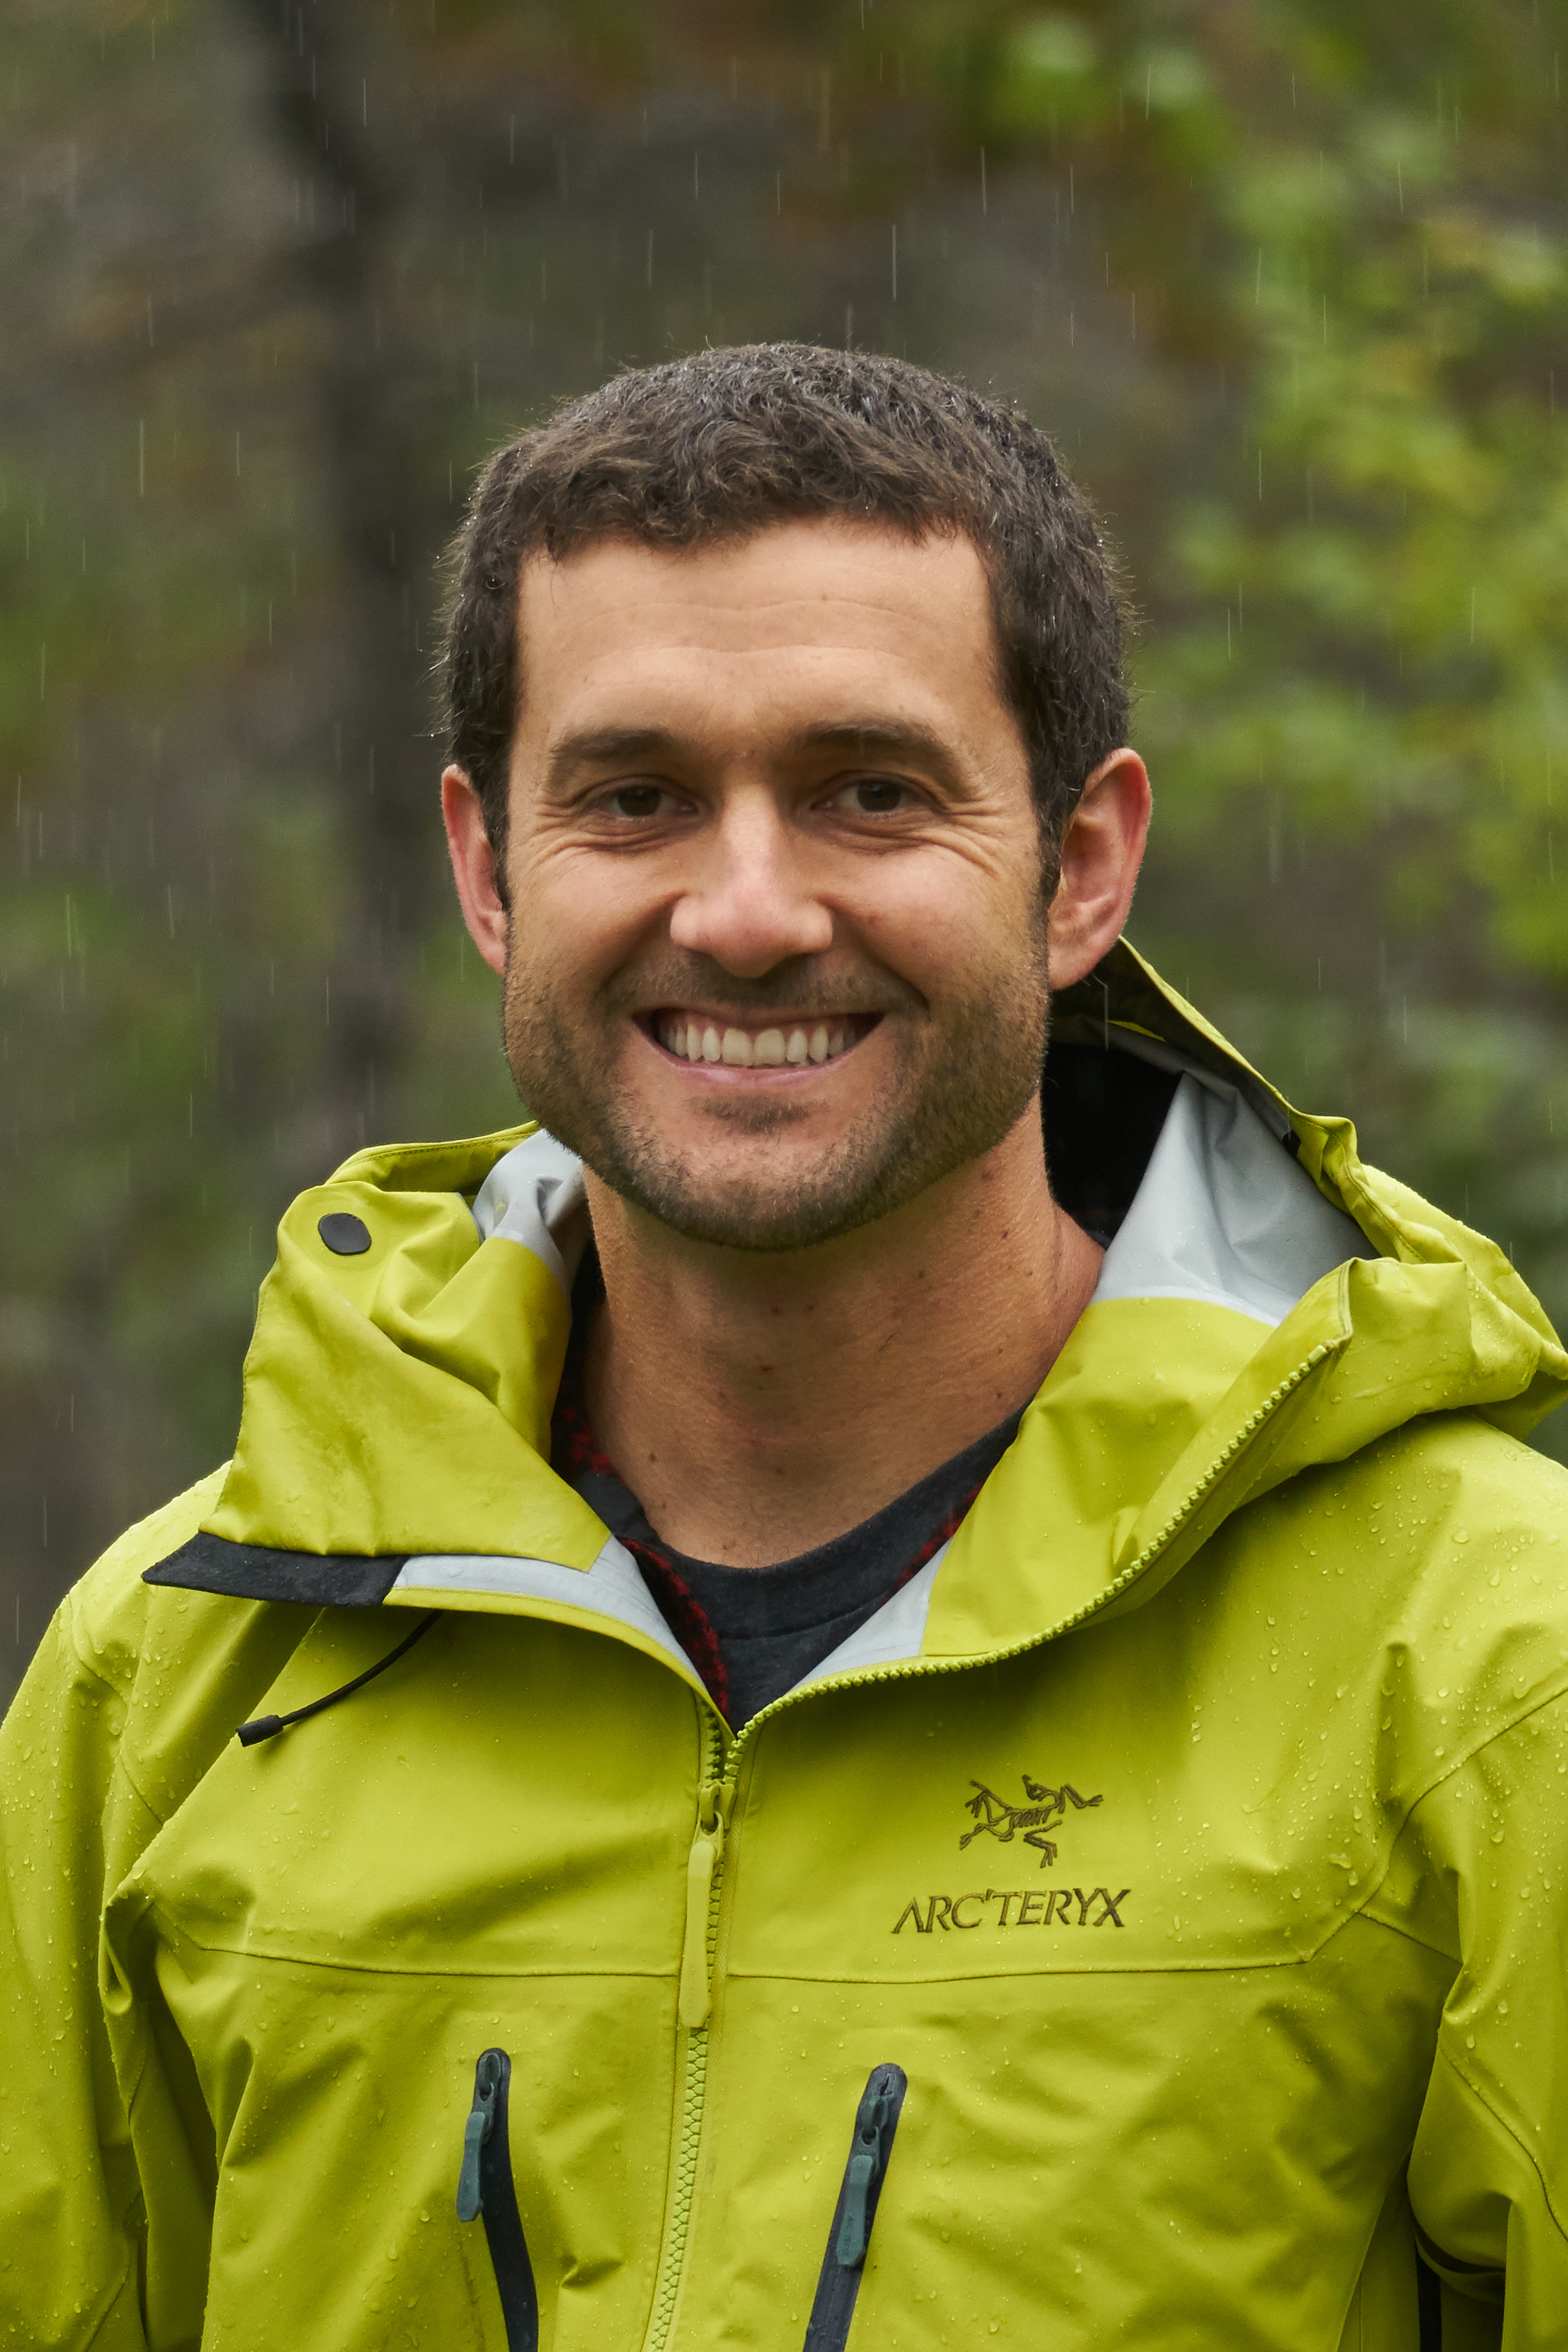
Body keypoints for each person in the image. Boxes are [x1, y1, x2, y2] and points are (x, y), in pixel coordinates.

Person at [2, 344, 1563, 2352]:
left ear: (1080, 865)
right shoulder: (177, 1677)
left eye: (868, 793)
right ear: (488, 869)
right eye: (638, 796)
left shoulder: (1492, 1667)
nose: (745, 913)